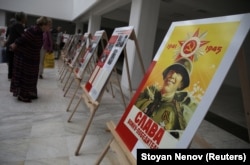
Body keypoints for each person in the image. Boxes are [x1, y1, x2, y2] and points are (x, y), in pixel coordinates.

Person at [135, 58, 197, 138]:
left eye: (179, 74)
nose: (172, 75)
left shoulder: (178, 111)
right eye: (172, 71)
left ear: (181, 84)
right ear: (165, 75)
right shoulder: (148, 94)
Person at [9, 16, 52, 103]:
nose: (50, 27)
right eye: (49, 25)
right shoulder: (34, 30)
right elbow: (23, 39)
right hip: (25, 57)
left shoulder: (40, 32)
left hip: (32, 57)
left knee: (32, 76)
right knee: (25, 76)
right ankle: (22, 95)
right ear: (43, 25)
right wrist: (14, 44)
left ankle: (29, 92)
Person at [4, 12, 26, 80]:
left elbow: (9, 36)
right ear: (22, 18)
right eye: (25, 17)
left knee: (11, 62)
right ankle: (12, 76)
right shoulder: (19, 25)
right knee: (14, 62)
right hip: (15, 47)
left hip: (11, 46)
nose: (26, 19)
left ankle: (10, 76)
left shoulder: (13, 25)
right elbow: (23, 37)